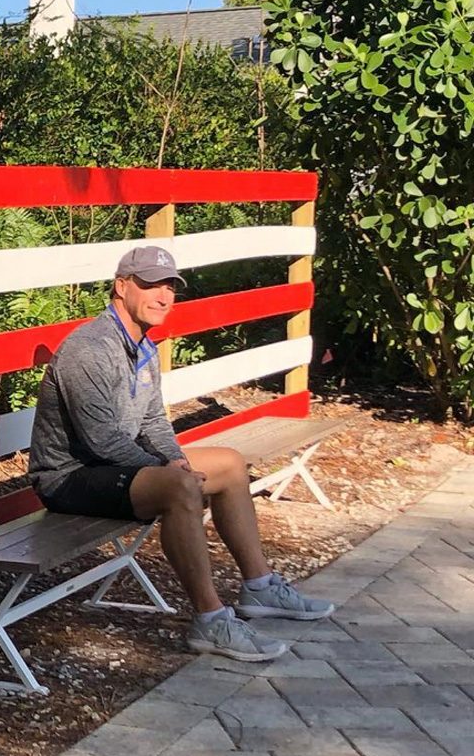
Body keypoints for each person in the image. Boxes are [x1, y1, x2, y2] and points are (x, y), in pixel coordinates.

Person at [28, 245, 334, 661]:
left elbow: (153, 420)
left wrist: (175, 459)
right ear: (121, 287)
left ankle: (261, 587)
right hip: (69, 477)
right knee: (179, 488)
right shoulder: (90, 349)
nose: (163, 295)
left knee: (228, 463)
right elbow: (101, 440)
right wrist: (170, 472)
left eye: (170, 286)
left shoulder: (142, 345)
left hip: (116, 466)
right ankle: (210, 620)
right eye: (150, 284)